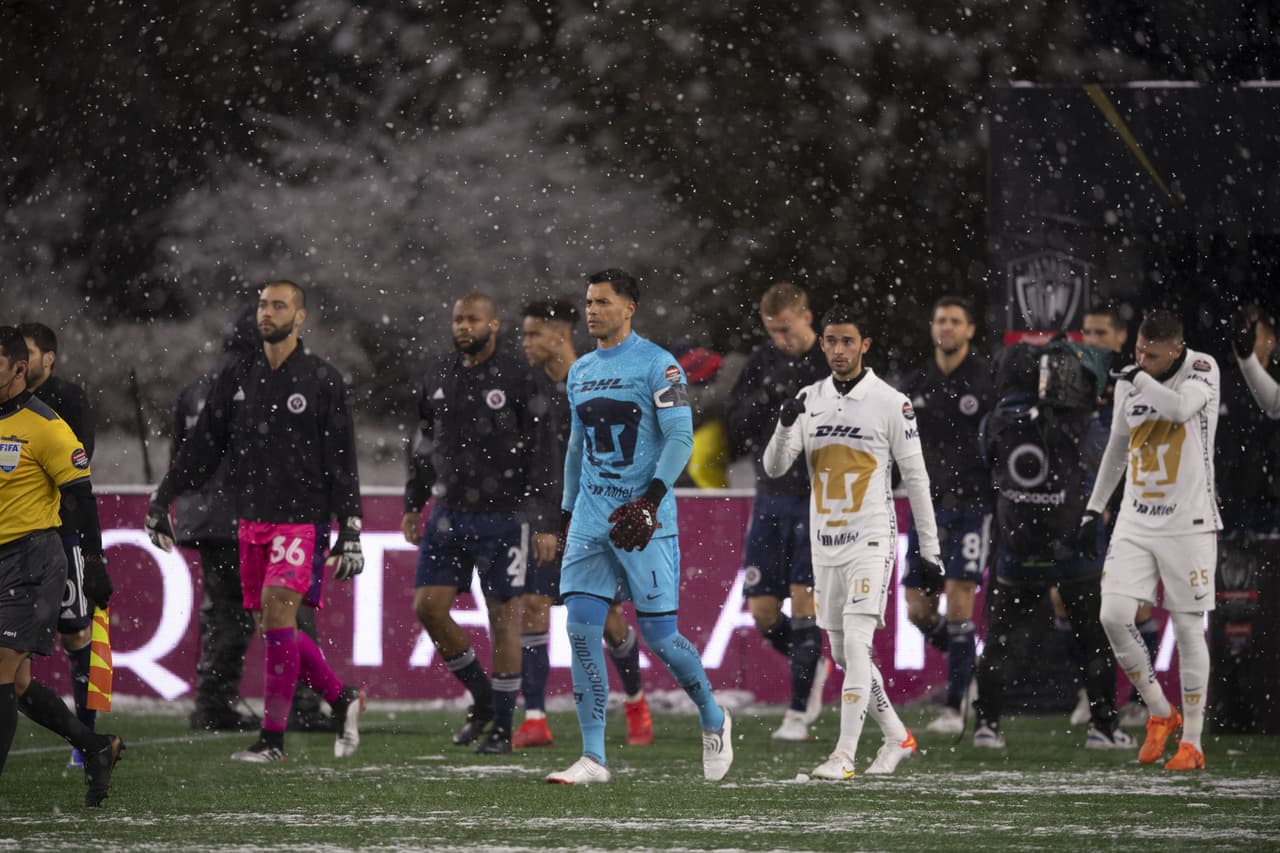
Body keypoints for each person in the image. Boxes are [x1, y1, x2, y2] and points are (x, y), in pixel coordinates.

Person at [145, 280, 366, 763]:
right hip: (250, 521)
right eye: (264, 305)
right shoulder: (238, 376)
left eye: (279, 305)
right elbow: (201, 449)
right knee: (272, 625)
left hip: (301, 520)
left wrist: (350, 526)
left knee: (279, 614)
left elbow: (341, 460)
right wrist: (164, 497)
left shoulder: (322, 379)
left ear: (300, 316)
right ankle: (341, 697)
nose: (268, 313)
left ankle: (272, 741)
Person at [546, 268, 733, 785]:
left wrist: (651, 500)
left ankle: (713, 716)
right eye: (588, 302)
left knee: (660, 636)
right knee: (581, 629)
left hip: (644, 521)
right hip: (590, 519)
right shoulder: (580, 371)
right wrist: (565, 516)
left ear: (629, 308)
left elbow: (680, 439)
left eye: (602, 302)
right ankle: (593, 757)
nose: (591, 311)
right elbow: (576, 448)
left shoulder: (659, 366)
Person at [763, 303, 943, 780]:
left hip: (870, 538)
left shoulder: (891, 402)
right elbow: (775, 467)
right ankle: (897, 736)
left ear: (865, 345)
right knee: (843, 654)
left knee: (858, 647)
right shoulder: (809, 398)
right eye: (831, 341)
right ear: (821, 344)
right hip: (825, 543)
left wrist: (930, 552)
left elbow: (918, 479)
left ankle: (843, 755)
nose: (839, 350)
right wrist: (784, 426)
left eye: (848, 341)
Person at [403, 292, 554, 756]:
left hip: (505, 517)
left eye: (472, 319)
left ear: (494, 325)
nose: (463, 326)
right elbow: (423, 444)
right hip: (448, 516)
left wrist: (544, 521)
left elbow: (543, 454)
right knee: (427, 608)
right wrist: (414, 502)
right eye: (457, 319)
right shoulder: (439, 374)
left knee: (502, 618)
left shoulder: (519, 377)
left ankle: (503, 729)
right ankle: (485, 698)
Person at [971, 339, 1134, 750]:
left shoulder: (994, 421)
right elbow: (1106, 463)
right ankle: (1104, 726)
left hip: (1017, 544)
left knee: (1000, 641)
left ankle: (986, 724)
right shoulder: (1083, 423)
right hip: (1072, 543)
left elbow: (987, 461)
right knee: (1093, 638)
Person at [1080, 309, 1221, 771]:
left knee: (1186, 626)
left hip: (1189, 522)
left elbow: (1180, 409)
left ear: (1176, 351)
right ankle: (1161, 712)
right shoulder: (1132, 380)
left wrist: (1138, 377)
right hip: (1136, 520)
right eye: (1139, 350)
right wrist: (1094, 507)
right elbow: (1117, 449)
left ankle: (1193, 742)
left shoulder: (1202, 367)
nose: (1141, 359)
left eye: (1152, 355)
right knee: (1113, 615)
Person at [513, 297, 654, 749]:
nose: (526, 342)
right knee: (534, 605)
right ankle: (535, 717)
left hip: (595, 516)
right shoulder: (526, 389)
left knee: (608, 616)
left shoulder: (596, 378)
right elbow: (535, 466)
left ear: (560, 333)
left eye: (534, 333)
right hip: (543, 519)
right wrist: (543, 520)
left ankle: (635, 701)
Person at [0, 326, 123, 806]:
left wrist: (93, 564)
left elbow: (81, 496)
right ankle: (94, 747)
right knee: (19, 683)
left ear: (18, 368)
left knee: (1, 672)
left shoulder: (46, 425)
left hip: (32, 563)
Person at [726, 282, 831, 741]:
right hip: (770, 497)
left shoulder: (830, 360)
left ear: (807, 317)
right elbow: (734, 424)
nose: (781, 340)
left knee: (804, 598)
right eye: (773, 332)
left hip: (816, 496)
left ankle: (796, 712)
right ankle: (814, 663)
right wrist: (764, 399)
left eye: (786, 330)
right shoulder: (762, 364)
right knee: (763, 609)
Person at [898, 295, 993, 735]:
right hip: (926, 508)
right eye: (941, 320)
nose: (947, 328)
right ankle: (968, 667)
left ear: (970, 329)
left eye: (956, 321)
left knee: (958, 601)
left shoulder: (986, 379)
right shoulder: (915, 382)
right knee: (918, 608)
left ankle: (956, 709)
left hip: (973, 506)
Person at [1058, 306, 1155, 728]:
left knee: (1135, 608)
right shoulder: (1070, 378)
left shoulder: (1136, 381)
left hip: (1135, 506)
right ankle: (1090, 692)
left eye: (1101, 333)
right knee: (1071, 602)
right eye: (1087, 332)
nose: (1091, 340)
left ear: (1120, 339)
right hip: (1085, 504)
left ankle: (1137, 698)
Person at [16, 322, 101, 767]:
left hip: (60, 534)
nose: (22, 361)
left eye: (28, 352)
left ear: (48, 358)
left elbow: (77, 474)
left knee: (75, 634)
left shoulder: (68, 401)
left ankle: (85, 738)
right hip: (15, 539)